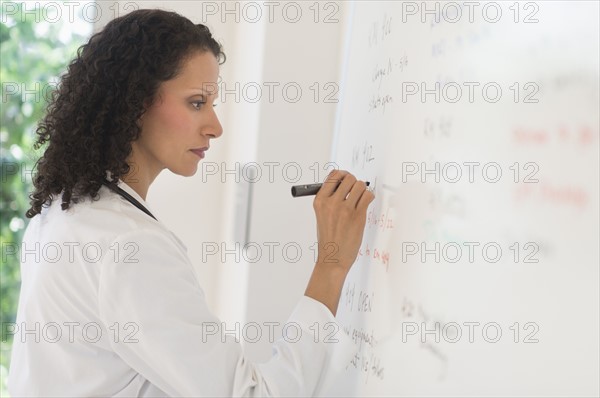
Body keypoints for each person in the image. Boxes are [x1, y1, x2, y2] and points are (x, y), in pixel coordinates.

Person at [8, 9, 374, 397]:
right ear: (136, 102)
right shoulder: (128, 246)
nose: (215, 126)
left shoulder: (62, 214)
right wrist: (331, 265)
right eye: (197, 102)